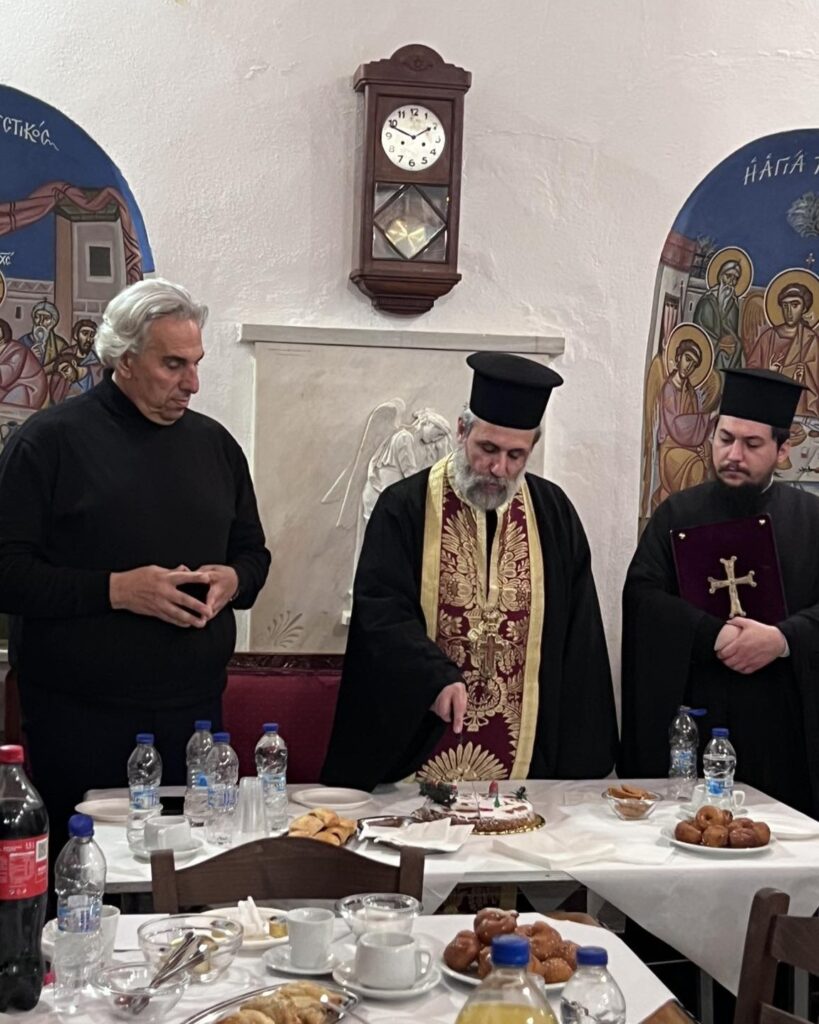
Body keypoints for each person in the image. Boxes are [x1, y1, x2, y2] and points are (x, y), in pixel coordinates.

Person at [0, 278, 271, 846]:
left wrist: (234, 579)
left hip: (195, 716)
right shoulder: (48, 443)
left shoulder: (217, 447)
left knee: (192, 873)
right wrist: (117, 590)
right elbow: (7, 574)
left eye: (196, 364)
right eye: (173, 365)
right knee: (87, 875)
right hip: (79, 720)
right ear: (123, 359)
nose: (192, 383)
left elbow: (253, 554)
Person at [321, 352, 617, 790]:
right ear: (462, 431)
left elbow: (580, 639)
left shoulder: (553, 514)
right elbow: (381, 613)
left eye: (516, 455)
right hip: (418, 752)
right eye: (488, 449)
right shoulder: (404, 507)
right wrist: (430, 676)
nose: (499, 469)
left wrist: (580, 766)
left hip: (524, 770)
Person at [620, 368, 819, 816]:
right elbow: (643, 597)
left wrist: (783, 639)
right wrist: (710, 633)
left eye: (752, 444)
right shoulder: (678, 514)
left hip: (783, 730)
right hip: (699, 715)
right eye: (725, 438)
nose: (734, 454)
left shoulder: (812, 521)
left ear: (782, 450)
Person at [746, 282, 819, 418]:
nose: (789, 312)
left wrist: (804, 374)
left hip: (798, 407)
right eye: (785, 306)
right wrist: (769, 372)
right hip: (768, 403)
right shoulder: (768, 336)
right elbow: (751, 370)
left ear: (804, 308)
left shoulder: (810, 339)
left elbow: (815, 377)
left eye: (795, 305)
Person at [693, 259, 744, 371]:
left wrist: (732, 340)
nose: (731, 282)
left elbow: (732, 330)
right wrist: (719, 343)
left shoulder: (733, 304)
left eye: (735, 279)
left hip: (727, 346)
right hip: (709, 345)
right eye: (728, 276)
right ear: (721, 276)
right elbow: (701, 329)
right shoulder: (707, 300)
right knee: (721, 355)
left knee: (737, 347)